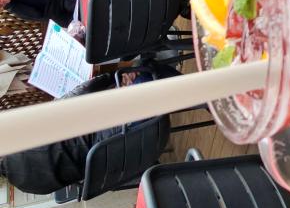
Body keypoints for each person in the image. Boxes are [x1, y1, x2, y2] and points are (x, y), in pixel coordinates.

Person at [0, 63, 180, 195]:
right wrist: (113, 78)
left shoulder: (30, 186)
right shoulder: (19, 131)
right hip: (143, 124)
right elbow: (82, 91)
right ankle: (203, 93)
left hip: (137, 159)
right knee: (144, 70)